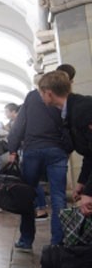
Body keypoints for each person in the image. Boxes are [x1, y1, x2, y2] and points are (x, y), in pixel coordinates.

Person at [7, 63, 75, 249]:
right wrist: (67, 149)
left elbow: (19, 125)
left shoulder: (31, 96)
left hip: (33, 151)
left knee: (27, 196)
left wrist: (13, 149)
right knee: (58, 197)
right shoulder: (66, 97)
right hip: (56, 151)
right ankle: (57, 242)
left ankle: (26, 240)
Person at [38, 70, 92, 215]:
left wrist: (89, 192)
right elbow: (89, 153)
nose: (41, 97)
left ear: (49, 93)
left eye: (41, 93)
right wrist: (82, 183)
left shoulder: (83, 109)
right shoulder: (72, 110)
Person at [5, 103, 47, 220]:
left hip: (29, 153)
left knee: (33, 182)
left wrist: (12, 151)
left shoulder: (22, 121)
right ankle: (38, 208)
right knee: (30, 182)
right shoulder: (23, 121)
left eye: (7, 111)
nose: (6, 114)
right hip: (29, 153)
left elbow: (17, 138)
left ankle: (41, 209)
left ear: (14, 111)